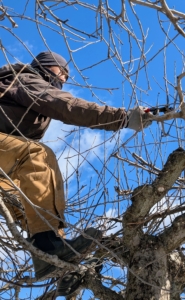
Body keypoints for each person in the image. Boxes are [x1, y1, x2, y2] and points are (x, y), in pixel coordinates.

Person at [0, 51, 152, 295]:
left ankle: (60, 265)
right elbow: (66, 106)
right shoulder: (26, 80)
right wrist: (124, 117)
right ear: (48, 67)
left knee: (27, 201)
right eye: (63, 73)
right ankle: (50, 248)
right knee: (37, 155)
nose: (65, 79)